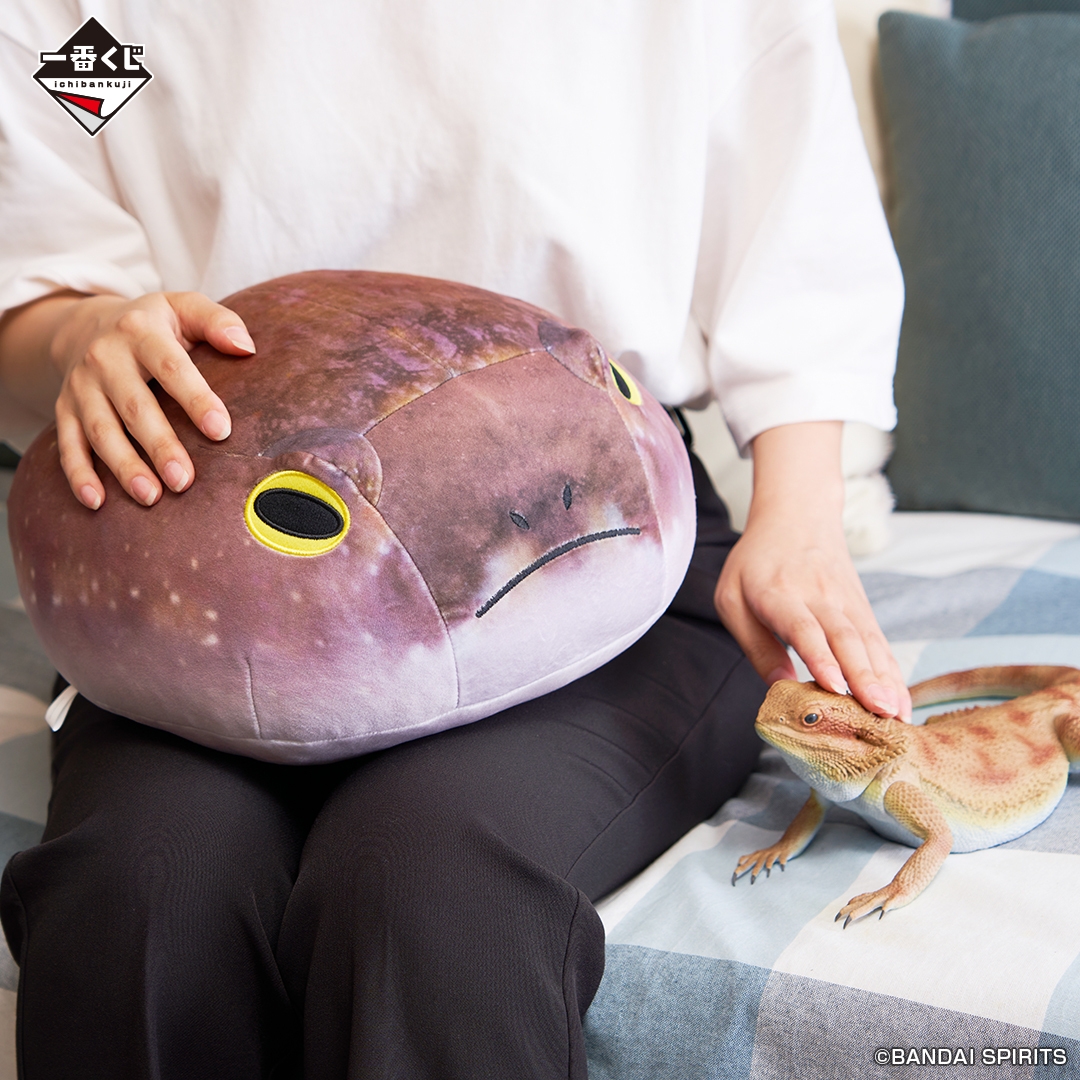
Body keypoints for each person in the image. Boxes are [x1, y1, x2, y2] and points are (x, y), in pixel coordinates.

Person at [0, 2, 911, 1077]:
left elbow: (799, 241)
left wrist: (798, 523)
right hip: (224, 576)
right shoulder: (90, 26)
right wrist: (84, 333)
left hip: (592, 541)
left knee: (430, 891)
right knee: (143, 890)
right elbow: (36, 272)